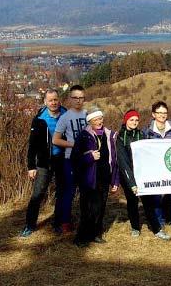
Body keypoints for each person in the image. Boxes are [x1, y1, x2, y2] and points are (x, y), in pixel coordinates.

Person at [116, 109, 171, 240]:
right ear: (126, 120)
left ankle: (157, 229)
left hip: (142, 175)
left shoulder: (141, 134)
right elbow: (123, 162)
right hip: (128, 175)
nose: (134, 122)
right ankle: (135, 227)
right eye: (131, 120)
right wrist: (132, 184)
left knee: (148, 202)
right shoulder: (120, 137)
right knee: (132, 201)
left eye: (136, 120)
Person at [20, 89, 67, 237]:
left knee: (62, 193)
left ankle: (58, 223)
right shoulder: (39, 118)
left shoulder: (66, 115)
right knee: (38, 194)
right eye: (50, 100)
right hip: (44, 162)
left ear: (59, 100)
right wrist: (31, 166)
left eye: (55, 100)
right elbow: (32, 145)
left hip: (62, 160)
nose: (53, 102)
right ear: (45, 102)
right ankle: (30, 225)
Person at [71, 107, 119, 247]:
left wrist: (115, 180)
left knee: (101, 208)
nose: (99, 121)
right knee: (87, 209)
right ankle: (81, 237)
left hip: (104, 177)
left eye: (100, 118)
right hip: (88, 179)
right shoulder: (83, 136)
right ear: (90, 121)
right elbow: (75, 159)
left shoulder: (110, 135)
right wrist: (89, 157)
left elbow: (115, 160)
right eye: (95, 119)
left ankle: (96, 234)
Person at [52, 85, 87, 233]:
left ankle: (87, 220)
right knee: (69, 192)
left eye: (81, 98)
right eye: (75, 98)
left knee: (87, 191)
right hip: (70, 159)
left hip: (87, 159)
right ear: (70, 99)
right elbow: (56, 140)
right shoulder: (65, 118)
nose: (78, 101)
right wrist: (73, 145)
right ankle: (65, 222)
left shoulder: (88, 115)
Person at [144, 101, 171, 232]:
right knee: (156, 197)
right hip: (154, 170)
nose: (162, 115)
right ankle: (159, 223)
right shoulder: (147, 131)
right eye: (159, 113)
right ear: (153, 114)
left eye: (165, 113)